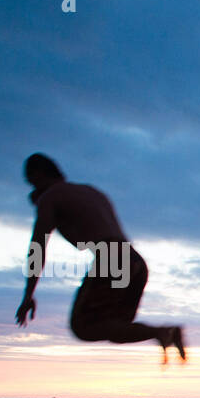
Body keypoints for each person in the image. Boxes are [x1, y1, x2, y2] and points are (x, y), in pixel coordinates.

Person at [17, 153, 186, 363]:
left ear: (39, 174)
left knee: (83, 327)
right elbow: (82, 241)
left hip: (112, 258)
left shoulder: (51, 197)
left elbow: (37, 249)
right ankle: (165, 333)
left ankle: (162, 332)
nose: (32, 189)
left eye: (31, 182)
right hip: (135, 262)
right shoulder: (92, 192)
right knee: (115, 330)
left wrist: (28, 296)